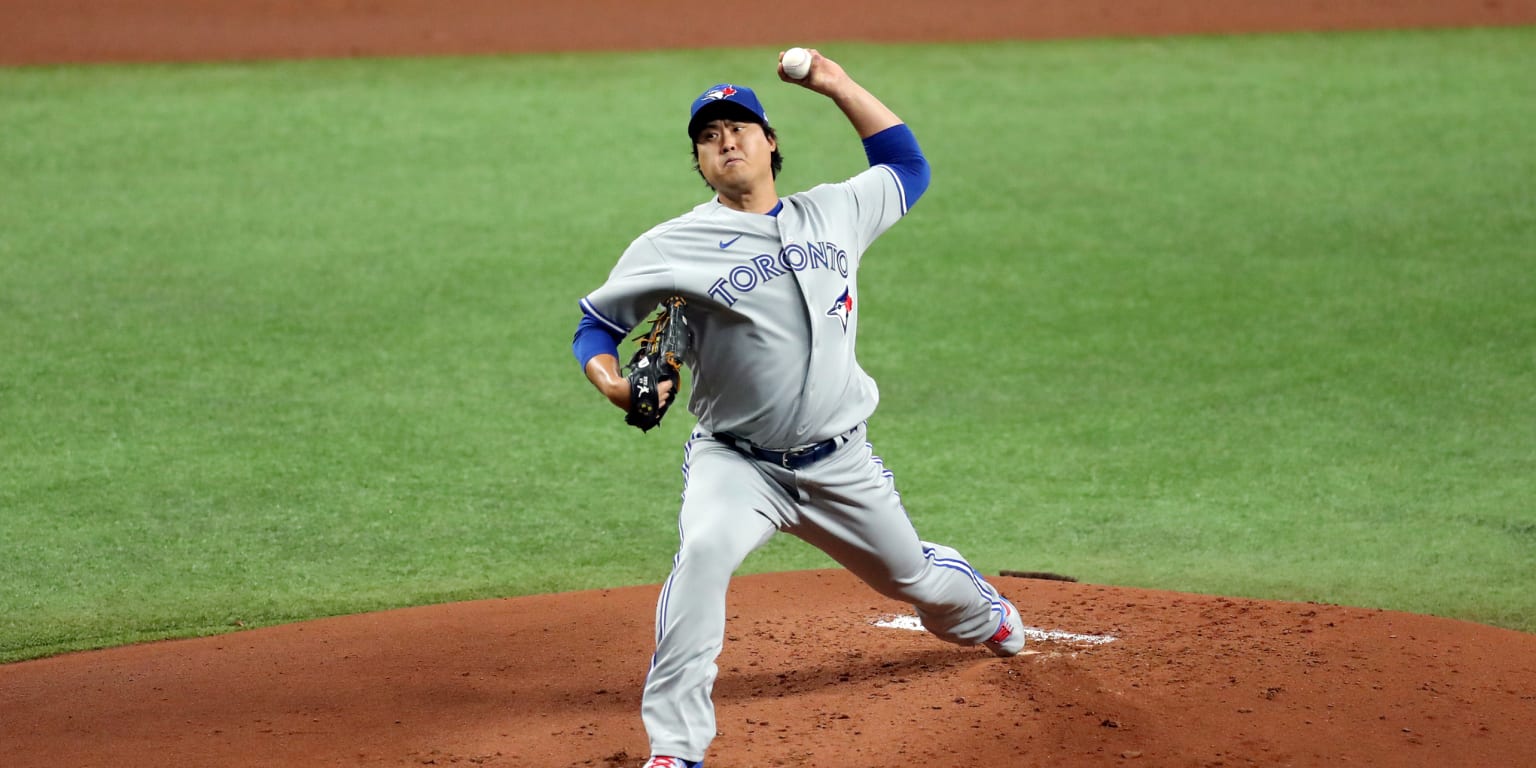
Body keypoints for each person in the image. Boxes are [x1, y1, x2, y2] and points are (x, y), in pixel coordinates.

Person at [570, 49, 1026, 768]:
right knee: (703, 556)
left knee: (918, 582)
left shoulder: (836, 210)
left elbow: (908, 166)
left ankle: (985, 613)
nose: (726, 140)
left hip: (839, 460)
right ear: (698, 160)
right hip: (737, 462)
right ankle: (675, 749)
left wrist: (836, 83)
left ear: (770, 140)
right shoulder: (671, 245)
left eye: (740, 126)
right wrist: (612, 383)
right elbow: (596, 325)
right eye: (709, 134)